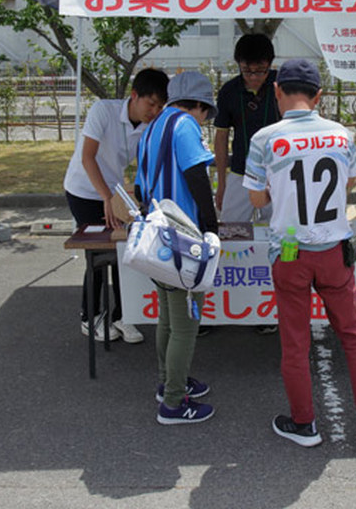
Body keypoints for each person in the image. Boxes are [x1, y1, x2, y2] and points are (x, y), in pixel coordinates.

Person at [243, 59, 356, 447]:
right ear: (318, 96)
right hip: (333, 249)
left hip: (290, 252)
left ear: (277, 91)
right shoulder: (341, 135)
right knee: (353, 333)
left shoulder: (264, 139)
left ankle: (304, 424)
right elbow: (351, 180)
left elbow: (257, 198)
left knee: (295, 341)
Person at [134, 71, 219, 425]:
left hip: (158, 237)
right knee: (185, 324)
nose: (204, 121)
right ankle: (172, 402)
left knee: (168, 317)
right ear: (198, 105)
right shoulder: (184, 124)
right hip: (184, 238)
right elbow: (197, 177)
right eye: (206, 114)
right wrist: (212, 229)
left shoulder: (152, 127)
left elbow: (140, 188)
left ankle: (170, 381)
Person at [64, 68, 169, 344]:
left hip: (115, 192)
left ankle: (125, 315)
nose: (154, 111)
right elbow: (88, 158)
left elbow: (147, 168)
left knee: (127, 250)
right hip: (83, 190)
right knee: (97, 252)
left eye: (160, 106)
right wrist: (106, 197)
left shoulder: (152, 126)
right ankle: (91, 316)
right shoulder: (103, 111)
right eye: (151, 104)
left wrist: (131, 198)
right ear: (134, 96)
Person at [214, 33, 280, 334]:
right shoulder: (229, 91)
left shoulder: (282, 86)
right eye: (247, 70)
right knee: (228, 235)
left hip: (278, 176)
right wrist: (222, 183)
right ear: (238, 65)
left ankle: (270, 307)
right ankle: (228, 300)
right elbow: (221, 136)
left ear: (271, 66)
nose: (254, 77)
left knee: (278, 237)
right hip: (240, 174)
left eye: (261, 70)